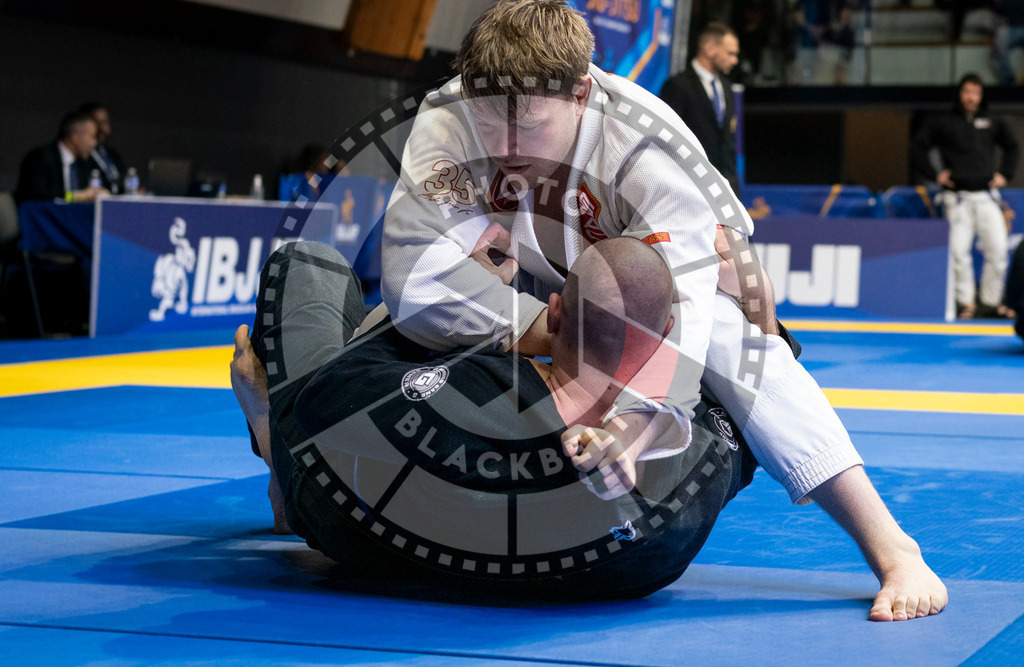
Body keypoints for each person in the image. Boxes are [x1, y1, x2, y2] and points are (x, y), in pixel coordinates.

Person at [378, 0, 945, 620]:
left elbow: (691, 312)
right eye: (491, 124)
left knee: (736, 343)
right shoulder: (448, 117)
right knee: (379, 328)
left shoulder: (647, 148)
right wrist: (548, 328)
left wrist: (638, 420)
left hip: (657, 274)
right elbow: (413, 280)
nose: (507, 147)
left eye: (531, 126)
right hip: (531, 283)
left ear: (581, 95)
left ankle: (894, 549)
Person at [231, 235, 762, 600]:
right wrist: (754, 314)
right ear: (669, 333)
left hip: (357, 541)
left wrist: (446, 305)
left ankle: (277, 458)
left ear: (551, 314)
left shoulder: (482, 388)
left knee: (306, 262)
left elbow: (324, 401)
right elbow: (749, 420)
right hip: (596, 582)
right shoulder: (688, 467)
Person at [911, 73, 1020, 319]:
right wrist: (934, 174)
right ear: (960, 94)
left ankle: (991, 303)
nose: (971, 97)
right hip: (956, 198)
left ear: (981, 96)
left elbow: (1012, 146)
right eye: (967, 92)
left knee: (999, 250)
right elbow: (918, 146)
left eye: (976, 93)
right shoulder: (944, 122)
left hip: (986, 196)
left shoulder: (992, 120)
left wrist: (1006, 174)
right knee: (959, 253)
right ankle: (966, 303)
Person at [660, 22, 741, 195]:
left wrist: (734, 190)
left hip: (725, 191)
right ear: (710, 48)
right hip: (689, 189)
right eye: (730, 53)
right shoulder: (677, 86)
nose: (735, 60)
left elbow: (727, 143)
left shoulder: (726, 87)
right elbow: (667, 140)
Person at [14, 110, 110, 205]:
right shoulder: (41, 157)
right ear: (75, 136)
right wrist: (74, 196)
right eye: (92, 137)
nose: (94, 143)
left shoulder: (84, 163)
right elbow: (36, 193)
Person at [79, 102, 126, 195]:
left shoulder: (113, 154)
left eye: (106, 122)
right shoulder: (81, 156)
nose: (104, 129)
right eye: (99, 123)